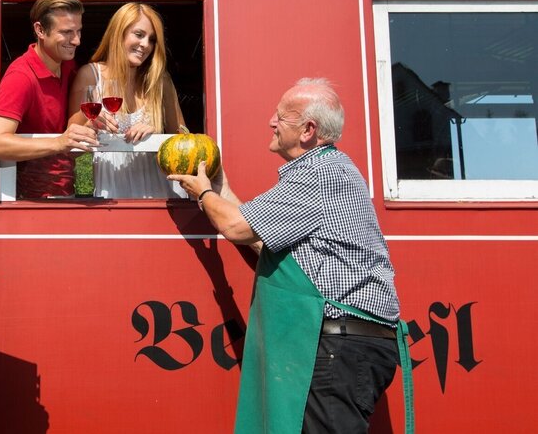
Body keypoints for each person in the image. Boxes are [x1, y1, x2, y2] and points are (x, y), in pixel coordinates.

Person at [169, 78, 412, 434]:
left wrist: (203, 193)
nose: (271, 121)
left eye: (281, 117)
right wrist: (222, 188)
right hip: (344, 345)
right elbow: (259, 235)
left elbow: (237, 228)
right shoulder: (329, 170)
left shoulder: (317, 174)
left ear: (308, 130)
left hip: (337, 347)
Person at [0, 0, 99, 199]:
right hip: (29, 201)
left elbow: (70, 132)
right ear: (40, 30)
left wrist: (93, 126)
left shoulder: (68, 65)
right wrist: (58, 143)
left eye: (79, 31)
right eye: (67, 32)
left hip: (64, 193)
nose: (77, 41)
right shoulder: (21, 76)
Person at [68, 2, 187, 198]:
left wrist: (157, 136)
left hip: (157, 192)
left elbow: (184, 139)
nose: (145, 45)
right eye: (139, 35)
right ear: (118, 33)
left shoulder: (160, 81)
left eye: (152, 39)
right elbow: (70, 146)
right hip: (112, 192)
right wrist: (92, 124)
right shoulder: (90, 75)